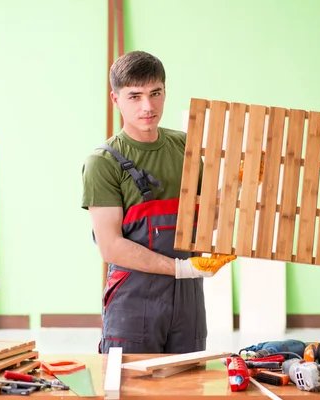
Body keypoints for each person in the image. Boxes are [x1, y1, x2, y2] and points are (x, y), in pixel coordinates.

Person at [81, 50, 236, 355]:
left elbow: (208, 219)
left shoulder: (183, 146)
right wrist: (182, 268)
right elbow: (110, 246)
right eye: (134, 96)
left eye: (155, 94)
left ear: (165, 92)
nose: (147, 107)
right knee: (131, 388)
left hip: (188, 301)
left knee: (188, 385)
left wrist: (241, 184)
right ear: (116, 100)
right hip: (134, 304)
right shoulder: (103, 162)